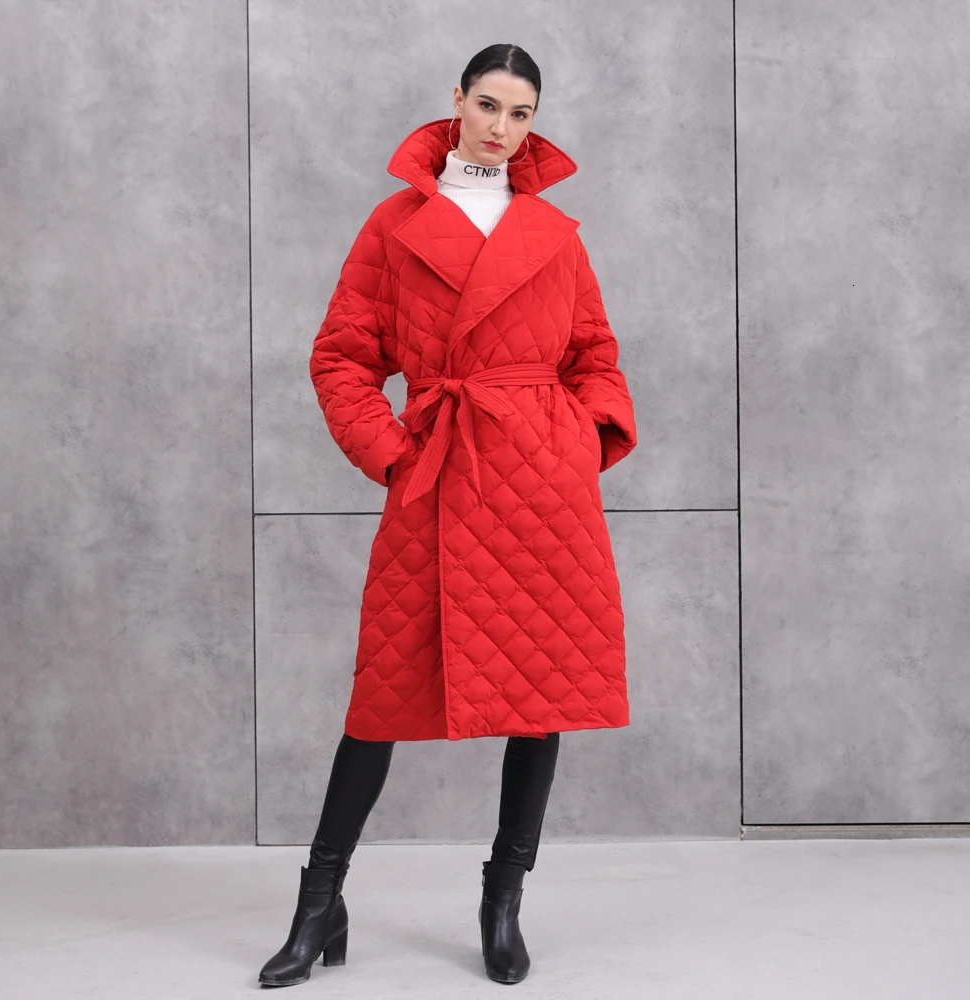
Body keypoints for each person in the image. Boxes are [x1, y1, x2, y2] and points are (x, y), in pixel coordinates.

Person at [259, 42, 637, 988]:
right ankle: (319, 903)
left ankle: (502, 902)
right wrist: (393, 455)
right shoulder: (395, 226)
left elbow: (594, 352)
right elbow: (341, 356)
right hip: (439, 475)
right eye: (489, 105)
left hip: (542, 487)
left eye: (522, 114)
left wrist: (584, 441)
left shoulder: (553, 231)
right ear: (457, 102)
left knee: (540, 697)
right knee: (381, 696)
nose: (503, 128)